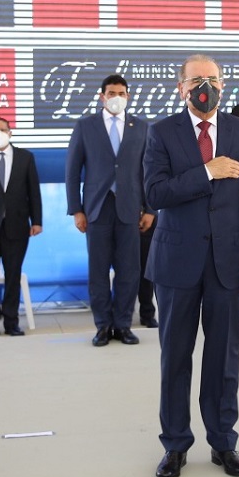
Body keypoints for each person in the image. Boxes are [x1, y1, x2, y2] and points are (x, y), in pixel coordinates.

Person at [144, 54, 239, 477]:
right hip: (176, 265)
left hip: (229, 267)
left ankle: (223, 442)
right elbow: (155, 193)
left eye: (212, 79)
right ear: (181, 87)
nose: (205, 86)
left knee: (223, 358)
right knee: (175, 358)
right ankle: (175, 445)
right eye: (197, 80)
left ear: (224, 84)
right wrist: (207, 172)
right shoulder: (161, 132)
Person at [66, 74, 155, 346]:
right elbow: (72, 170)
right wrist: (76, 209)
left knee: (129, 271)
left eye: (121, 92)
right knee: (98, 271)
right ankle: (103, 326)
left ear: (128, 96)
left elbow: (150, 170)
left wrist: (150, 208)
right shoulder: (85, 126)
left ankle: (123, 325)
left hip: (131, 209)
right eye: (111, 92)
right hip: (97, 209)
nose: (116, 97)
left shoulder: (141, 127)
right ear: (102, 96)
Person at [0, 117, 43, 338]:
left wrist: (37, 221)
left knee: (13, 275)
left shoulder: (25, 157)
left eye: (3, 129)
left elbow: (33, 191)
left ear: (10, 132)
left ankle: (12, 320)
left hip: (17, 226)